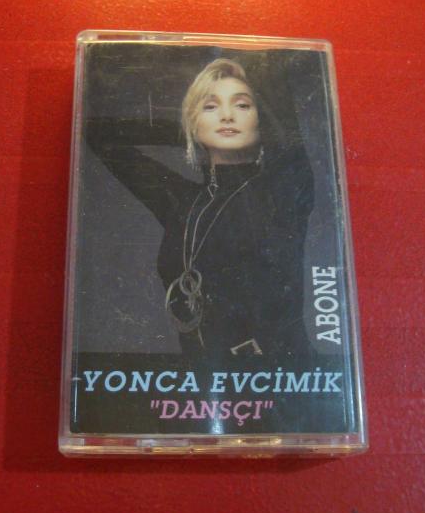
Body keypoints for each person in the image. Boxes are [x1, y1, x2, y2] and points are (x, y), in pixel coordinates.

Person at [86, 57, 314, 364]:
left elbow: (275, 89)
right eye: (210, 107)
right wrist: (190, 131)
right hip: (204, 377)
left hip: (280, 376)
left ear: (262, 120)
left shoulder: (284, 189)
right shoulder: (185, 201)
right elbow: (97, 134)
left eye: (242, 105)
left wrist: (206, 126)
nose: (227, 115)